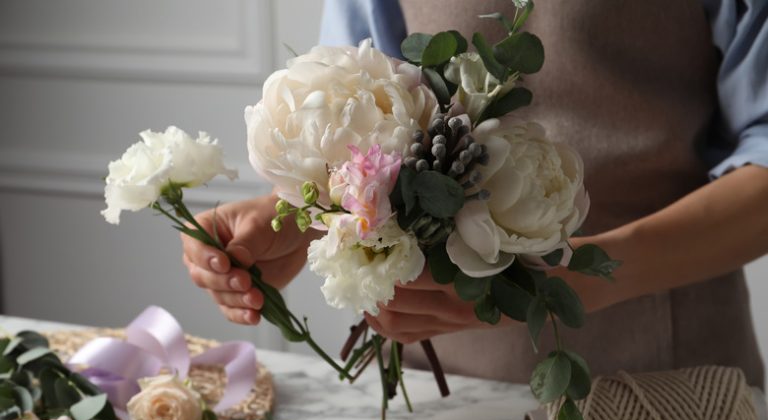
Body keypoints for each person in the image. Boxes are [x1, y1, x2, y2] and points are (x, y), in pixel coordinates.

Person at [181, 0, 768, 387]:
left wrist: (585, 278)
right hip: (435, 381)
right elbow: (359, 118)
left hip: (670, 373)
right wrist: (295, 215)